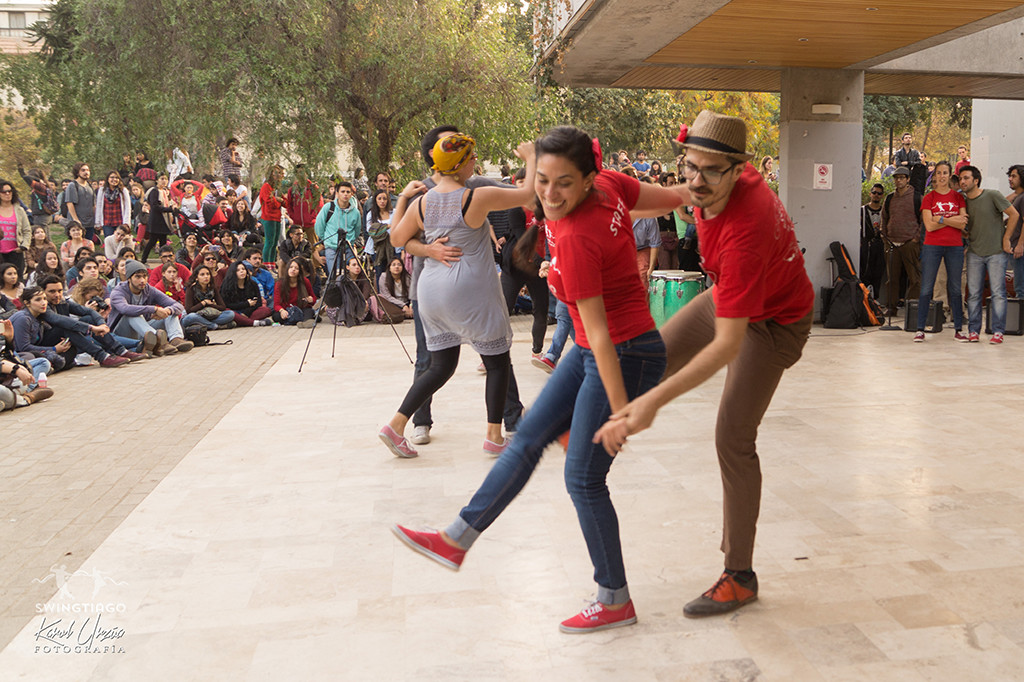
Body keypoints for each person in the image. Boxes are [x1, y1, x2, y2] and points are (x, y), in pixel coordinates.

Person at [392, 126, 684, 633]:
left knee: (583, 479)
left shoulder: (573, 236)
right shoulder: (612, 185)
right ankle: (456, 538)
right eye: (543, 180)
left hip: (624, 351)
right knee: (524, 437)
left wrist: (620, 413)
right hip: (599, 349)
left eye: (564, 183)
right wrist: (699, 193)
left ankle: (614, 598)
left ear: (589, 180)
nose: (549, 193)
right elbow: (666, 198)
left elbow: (596, 332)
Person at [588, 111, 814, 621]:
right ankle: (592, 421)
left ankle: (740, 576)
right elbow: (646, 191)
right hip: (734, 296)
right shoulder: (710, 186)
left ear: (740, 170)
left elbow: (727, 346)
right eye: (690, 166)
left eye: (712, 171)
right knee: (651, 357)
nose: (696, 180)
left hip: (775, 323)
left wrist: (653, 403)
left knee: (732, 436)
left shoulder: (746, 227)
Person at [380, 132, 536, 459]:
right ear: (462, 165)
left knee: (440, 365)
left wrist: (401, 201)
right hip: (469, 290)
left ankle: (396, 425)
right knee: (496, 362)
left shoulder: (422, 201)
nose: (476, 163)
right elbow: (528, 192)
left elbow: (396, 237)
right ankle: (494, 435)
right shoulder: (475, 197)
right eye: (473, 159)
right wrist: (531, 157)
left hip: (431, 293)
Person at [960, 165, 1020, 343]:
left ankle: (998, 331)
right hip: (974, 253)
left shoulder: (992, 195)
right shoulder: (963, 202)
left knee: (998, 293)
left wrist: (1006, 238)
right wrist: (966, 235)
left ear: (976, 180)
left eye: (966, 178)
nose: (962, 181)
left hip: (996, 253)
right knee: (973, 294)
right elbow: (967, 226)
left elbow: (1014, 214)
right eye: (961, 178)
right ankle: (973, 331)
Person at [913, 161, 968, 342]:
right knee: (927, 288)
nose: (942, 176)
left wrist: (942, 218)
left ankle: (958, 329)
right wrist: (952, 219)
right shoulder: (929, 198)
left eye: (945, 173)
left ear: (950, 175)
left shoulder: (958, 198)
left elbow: (963, 223)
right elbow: (929, 225)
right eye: (939, 173)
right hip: (932, 246)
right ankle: (920, 329)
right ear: (935, 176)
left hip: (955, 247)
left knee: (955, 288)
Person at [38, 275, 144, 366]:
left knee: (89, 319)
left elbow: (88, 312)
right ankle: (103, 356)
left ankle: (121, 351)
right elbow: (59, 320)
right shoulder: (42, 306)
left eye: (59, 291)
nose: (57, 295)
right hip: (47, 346)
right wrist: (91, 328)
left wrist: (102, 324)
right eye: (52, 291)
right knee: (66, 327)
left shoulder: (62, 302)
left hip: (72, 340)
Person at [499, 174, 549, 359]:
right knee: (504, 309)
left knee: (541, 310)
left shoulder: (548, 206)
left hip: (540, 268)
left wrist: (548, 262)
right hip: (516, 266)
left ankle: (537, 352)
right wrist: (540, 261)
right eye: (521, 182)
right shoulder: (515, 209)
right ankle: (493, 353)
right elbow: (522, 241)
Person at [108, 260, 193, 355]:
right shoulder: (118, 292)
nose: (142, 280)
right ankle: (160, 341)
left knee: (170, 312)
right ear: (129, 278)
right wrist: (154, 309)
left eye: (144, 276)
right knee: (132, 314)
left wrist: (168, 311)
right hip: (121, 334)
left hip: (145, 333)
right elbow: (125, 309)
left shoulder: (149, 289)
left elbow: (178, 305)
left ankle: (176, 339)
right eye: (137, 277)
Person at [880, 167, 922, 314]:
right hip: (891, 243)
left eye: (902, 177)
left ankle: (912, 307)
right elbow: (884, 218)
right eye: (896, 178)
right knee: (891, 279)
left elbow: (924, 221)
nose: (899, 180)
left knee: (915, 278)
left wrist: (916, 239)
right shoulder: (890, 198)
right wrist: (884, 236)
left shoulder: (917, 197)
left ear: (908, 179)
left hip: (910, 243)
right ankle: (891, 308)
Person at [1, 314, 54, 408]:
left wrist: (9, 340)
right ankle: (27, 398)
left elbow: (7, 356)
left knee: (43, 362)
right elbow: (24, 347)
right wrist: (15, 369)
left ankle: (18, 392)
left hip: (6, 376)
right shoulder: (22, 318)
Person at [314, 181, 361, 275]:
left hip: (348, 248)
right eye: (342, 191)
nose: (345, 194)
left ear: (351, 194)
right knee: (334, 276)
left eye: (348, 192)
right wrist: (327, 240)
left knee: (351, 276)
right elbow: (319, 226)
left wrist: (351, 240)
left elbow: (357, 230)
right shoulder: (328, 208)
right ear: (337, 193)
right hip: (331, 248)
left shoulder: (355, 212)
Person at [182, 265, 236, 330]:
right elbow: (189, 310)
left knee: (230, 314)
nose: (206, 277)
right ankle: (215, 326)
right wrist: (203, 303)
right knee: (190, 317)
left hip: (210, 315)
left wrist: (210, 304)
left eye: (208, 274)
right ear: (197, 278)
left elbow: (222, 307)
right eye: (202, 275)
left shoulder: (212, 288)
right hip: (197, 315)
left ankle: (206, 325)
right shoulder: (191, 289)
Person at [220, 260, 273, 326]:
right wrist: (246, 304)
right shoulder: (227, 286)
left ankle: (242, 322)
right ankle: (253, 323)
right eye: (238, 270)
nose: (242, 271)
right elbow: (227, 304)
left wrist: (246, 313)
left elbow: (258, 302)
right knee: (229, 312)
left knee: (266, 310)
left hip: (249, 312)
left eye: (243, 269)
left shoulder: (253, 284)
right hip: (235, 311)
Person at [141, 175, 178, 263]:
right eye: (162, 179)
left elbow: (168, 202)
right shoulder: (155, 191)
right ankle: (143, 259)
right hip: (156, 220)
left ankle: (165, 260)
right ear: (157, 180)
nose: (164, 181)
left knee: (163, 241)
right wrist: (169, 209)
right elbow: (155, 207)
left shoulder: (165, 191)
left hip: (164, 219)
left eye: (166, 179)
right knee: (152, 241)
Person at [0, 179, 31, 280]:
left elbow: (27, 230)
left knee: (17, 280)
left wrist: (23, 246)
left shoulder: (19, 210)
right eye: (4, 192)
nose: (7, 194)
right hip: (1, 252)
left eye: (10, 191)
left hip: (16, 252)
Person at [285, 164, 323, 245]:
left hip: (310, 223)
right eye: (298, 172)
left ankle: (315, 258)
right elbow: (289, 204)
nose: (300, 174)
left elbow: (319, 204)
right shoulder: (292, 190)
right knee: (295, 245)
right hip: (297, 223)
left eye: (302, 172)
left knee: (314, 246)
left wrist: (312, 217)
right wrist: (293, 216)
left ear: (306, 173)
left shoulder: (313, 188)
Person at [273, 257, 316, 327]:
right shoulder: (280, 283)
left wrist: (310, 299)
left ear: (299, 272)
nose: (293, 270)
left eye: (296, 268)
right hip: (286, 310)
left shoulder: (305, 281)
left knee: (309, 311)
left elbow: (313, 299)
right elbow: (276, 304)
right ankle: (301, 320)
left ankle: (303, 322)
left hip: (301, 309)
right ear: (287, 269)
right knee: (276, 316)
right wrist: (282, 311)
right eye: (291, 267)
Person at [860, 183, 886, 298]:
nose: (876, 195)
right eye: (874, 192)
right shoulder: (862, 210)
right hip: (866, 245)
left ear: (882, 196)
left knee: (878, 272)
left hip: (881, 245)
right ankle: (865, 299)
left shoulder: (885, 211)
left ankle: (876, 299)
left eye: (879, 193)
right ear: (870, 194)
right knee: (866, 271)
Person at [258, 165, 286, 265]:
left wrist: (280, 200)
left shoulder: (276, 188)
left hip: (277, 217)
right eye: (280, 174)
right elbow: (270, 203)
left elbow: (285, 202)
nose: (282, 176)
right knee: (269, 242)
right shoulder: (266, 186)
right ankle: (266, 263)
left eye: (283, 174)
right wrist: (278, 201)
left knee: (275, 243)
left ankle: (272, 263)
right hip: (268, 217)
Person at [1005, 165, 1024, 302]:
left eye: (1014, 176)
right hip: (1015, 246)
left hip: (1020, 249)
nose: (1010, 179)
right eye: (1009, 176)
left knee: (1020, 289)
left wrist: (1020, 244)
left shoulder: (1023, 198)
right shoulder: (1018, 197)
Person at [64, 163, 97, 242]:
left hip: (89, 223)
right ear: (77, 172)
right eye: (83, 170)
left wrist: (96, 219)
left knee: (88, 245)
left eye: (88, 170)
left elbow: (93, 204)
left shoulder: (89, 186)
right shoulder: (73, 185)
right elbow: (70, 203)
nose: (86, 172)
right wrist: (76, 220)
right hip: (78, 223)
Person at [94, 171, 132, 239]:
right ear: (108, 179)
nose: (114, 179)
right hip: (107, 221)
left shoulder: (123, 190)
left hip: (119, 221)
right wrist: (98, 222)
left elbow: (127, 207)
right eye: (112, 177)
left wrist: (126, 222)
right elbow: (99, 206)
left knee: (120, 242)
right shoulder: (102, 190)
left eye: (116, 178)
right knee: (109, 240)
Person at [374, 256, 413, 321]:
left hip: (407, 303)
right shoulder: (384, 277)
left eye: (399, 265)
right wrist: (403, 306)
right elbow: (387, 296)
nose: (396, 267)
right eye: (393, 265)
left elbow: (412, 295)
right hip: (392, 304)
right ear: (389, 268)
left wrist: (411, 306)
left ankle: (404, 314)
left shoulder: (407, 278)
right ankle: (402, 314)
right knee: (378, 298)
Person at [632, 215, 660, 289]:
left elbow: (655, 244)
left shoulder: (649, 218)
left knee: (643, 276)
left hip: (643, 248)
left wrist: (651, 268)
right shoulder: (616, 216)